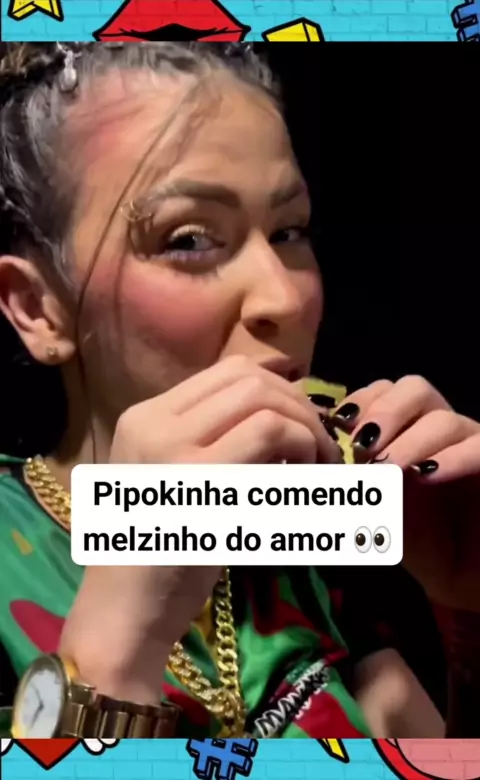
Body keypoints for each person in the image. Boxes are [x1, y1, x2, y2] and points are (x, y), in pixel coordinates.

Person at [0, 41, 479, 740]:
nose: (284, 298)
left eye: (290, 230)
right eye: (189, 238)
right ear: (39, 308)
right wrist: (110, 662)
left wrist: (468, 611)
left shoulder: (309, 544)